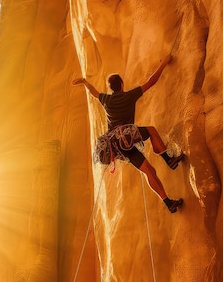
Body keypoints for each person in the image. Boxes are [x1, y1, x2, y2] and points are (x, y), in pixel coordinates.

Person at [73, 55, 185, 213]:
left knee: (149, 171)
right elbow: (151, 82)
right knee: (151, 131)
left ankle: (168, 203)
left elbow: (94, 93)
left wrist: (85, 83)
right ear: (122, 85)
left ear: (110, 88)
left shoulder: (106, 100)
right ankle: (169, 159)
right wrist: (164, 64)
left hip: (119, 147)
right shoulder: (129, 96)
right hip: (128, 136)